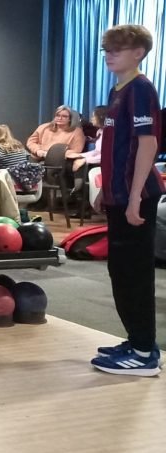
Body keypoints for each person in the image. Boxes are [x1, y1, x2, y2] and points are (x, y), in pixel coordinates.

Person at [89, 25, 165, 376]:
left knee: (134, 273)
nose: (109, 55)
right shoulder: (117, 91)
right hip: (119, 196)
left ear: (138, 53)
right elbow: (116, 148)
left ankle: (144, 353)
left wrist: (134, 197)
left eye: (117, 49)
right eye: (107, 49)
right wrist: (107, 191)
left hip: (139, 196)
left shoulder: (141, 89)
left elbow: (148, 144)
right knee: (120, 271)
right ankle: (137, 341)